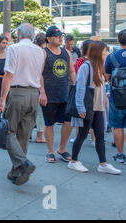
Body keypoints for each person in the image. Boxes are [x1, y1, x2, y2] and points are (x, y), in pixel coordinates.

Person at [0, 23, 44, 185]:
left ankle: (23, 164)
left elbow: (9, 75)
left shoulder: (14, 49)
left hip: (18, 93)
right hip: (33, 94)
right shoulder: (40, 51)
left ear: (18, 34)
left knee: (8, 132)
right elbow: (39, 74)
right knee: (23, 134)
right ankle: (17, 171)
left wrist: (2, 99)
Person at [68, 41, 121, 175]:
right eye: (105, 51)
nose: (107, 54)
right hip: (88, 106)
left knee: (100, 135)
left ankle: (103, 164)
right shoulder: (87, 67)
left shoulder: (100, 67)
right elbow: (80, 88)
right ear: (98, 53)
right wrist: (80, 108)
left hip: (98, 107)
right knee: (82, 134)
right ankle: (73, 161)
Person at [40, 26, 76, 163]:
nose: (61, 38)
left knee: (68, 122)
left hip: (65, 94)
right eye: (57, 36)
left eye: (61, 35)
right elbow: (39, 74)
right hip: (49, 95)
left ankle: (62, 148)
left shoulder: (66, 52)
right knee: (49, 124)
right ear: (48, 38)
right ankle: (50, 151)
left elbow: (72, 71)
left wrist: (76, 88)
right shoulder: (43, 53)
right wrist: (42, 92)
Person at [105, 29, 126, 164]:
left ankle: (120, 154)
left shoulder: (112, 57)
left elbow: (107, 77)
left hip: (117, 97)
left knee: (118, 126)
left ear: (119, 41)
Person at [33, 33, 47, 143]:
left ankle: (28, 134)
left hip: (28, 83)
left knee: (30, 110)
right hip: (39, 83)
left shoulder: (31, 51)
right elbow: (41, 72)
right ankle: (39, 135)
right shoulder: (42, 52)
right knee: (40, 111)